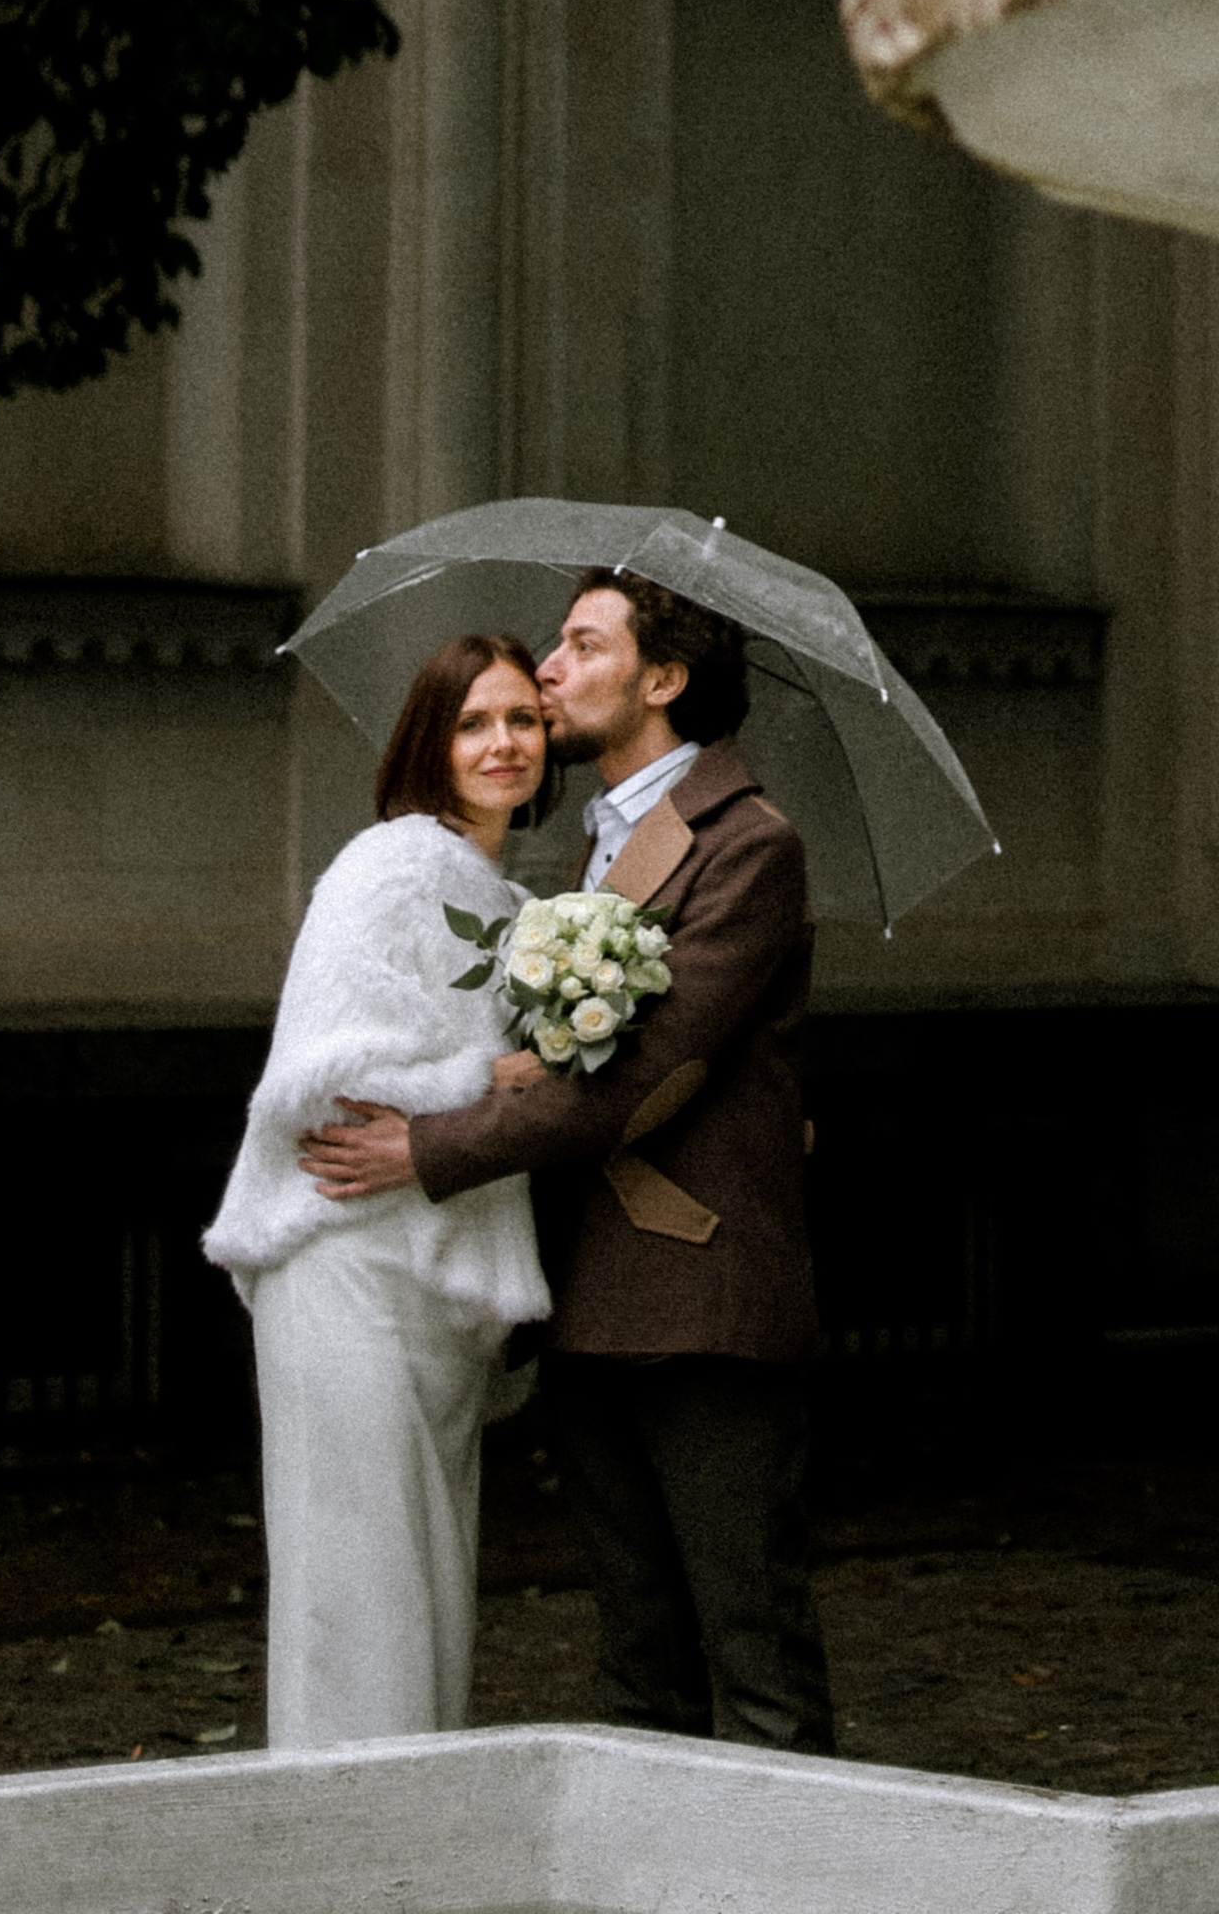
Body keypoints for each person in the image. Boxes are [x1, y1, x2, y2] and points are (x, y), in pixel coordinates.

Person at [301, 567, 833, 1756]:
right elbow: (548, 1061)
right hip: (587, 1288)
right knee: (638, 1661)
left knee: (752, 1651)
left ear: (662, 680)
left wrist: (427, 1147)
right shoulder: (589, 849)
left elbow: (641, 1080)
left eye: (582, 645)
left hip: (702, 1297)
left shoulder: (747, 845)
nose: (548, 666)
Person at [205, 632, 555, 1751]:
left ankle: (412, 1833)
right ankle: (344, 1842)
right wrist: (488, 1076)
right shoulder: (393, 864)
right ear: (428, 742)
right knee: (355, 1583)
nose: (503, 743)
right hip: (347, 1261)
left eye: (523, 719)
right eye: (473, 722)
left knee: (429, 1580)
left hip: (432, 1281)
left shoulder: (508, 899)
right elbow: (325, 1076)